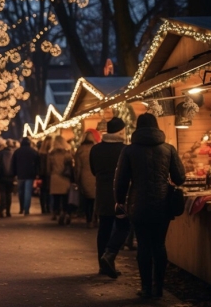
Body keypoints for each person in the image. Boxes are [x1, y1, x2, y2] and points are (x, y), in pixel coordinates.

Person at [115, 113, 185, 299]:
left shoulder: (129, 151)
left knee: (144, 246)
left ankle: (146, 288)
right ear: (156, 127)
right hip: (163, 204)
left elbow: (121, 179)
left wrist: (119, 200)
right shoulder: (168, 149)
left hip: (138, 204)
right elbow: (180, 178)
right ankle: (159, 288)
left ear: (138, 128)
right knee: (159, 245)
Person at [89, 118, 128, 278]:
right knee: (123, 226)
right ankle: (109, 257)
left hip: (102, 193)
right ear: (120, 131)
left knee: (104, 229)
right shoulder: (124, 149)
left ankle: (103, 264)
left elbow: (93, 170)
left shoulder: (96, 149)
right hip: (120, 193)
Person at [74, 129, 100, 227]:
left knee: (87, 199)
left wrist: (77, 179)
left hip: (84, 176)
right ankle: (96, 218)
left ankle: (89, 219)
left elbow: (77, 167)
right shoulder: (96, 148)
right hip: (95, 176)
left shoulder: (80, 150)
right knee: (96, 199)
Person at [10, 137, 39, 215]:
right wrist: (36, 173)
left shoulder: (17, 152)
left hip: (20, 175)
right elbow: (37, 164)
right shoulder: (33, 152)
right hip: (30, 174)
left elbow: (13, 164)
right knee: (28, 192)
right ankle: (26, 209)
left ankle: (21, 208)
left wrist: (14, 174)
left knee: (21, 192)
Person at [48, 136, 73, 225]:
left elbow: (48, 168)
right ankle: (65, 212)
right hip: (65, 178)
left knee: (56, 198)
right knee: (65, 198)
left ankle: (55, 213)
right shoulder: (67, 154)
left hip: (55, 177)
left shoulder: (51, 154)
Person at [38, 136, 53, 214]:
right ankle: (49, 207)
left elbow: (38, 165)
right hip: (50, 175)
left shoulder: (40, 154)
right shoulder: (52, 153)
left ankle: (43, 208)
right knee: (50, 192)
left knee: (43, 192)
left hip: (42, 175)